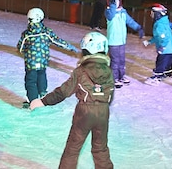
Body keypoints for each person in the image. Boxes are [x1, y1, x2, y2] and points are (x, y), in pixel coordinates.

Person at [30, 31, 114, 169]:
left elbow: (63, 91)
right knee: (100, 149)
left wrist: (43, 101)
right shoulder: (109, 71)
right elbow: (110, 94)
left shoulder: (81, 71)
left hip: (84, 113)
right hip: (103, 113)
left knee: (73, 149)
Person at [17, 7, 79, 108]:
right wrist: (69, 46)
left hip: (31, 63)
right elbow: (57, 41)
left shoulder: (26, 34)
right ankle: (43, 95)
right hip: (42, 62)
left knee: (31, 81)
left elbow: (20, 47)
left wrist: (25, 52)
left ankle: (33, 102)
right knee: (41, 76)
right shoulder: (46, 32)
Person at [104, 0, 144, 88]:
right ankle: (114, 78)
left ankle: (121, 76)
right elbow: (112, 14)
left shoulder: (123, 12)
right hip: (113, 41)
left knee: (121, 60)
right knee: (115, 61)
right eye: (114, 1)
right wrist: (112, 4)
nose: (116, 3)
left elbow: (130, 21)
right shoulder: (109, 12)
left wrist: (138, 28)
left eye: (117, 0)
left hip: (121, 41)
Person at [142, 4, 172, 86]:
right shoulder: (164, 21)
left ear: (157, 14)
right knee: (168, 64)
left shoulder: (159, 25)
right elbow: (158, 37)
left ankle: (157, 77)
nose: (151, 15)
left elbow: (164, 37)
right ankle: (168, 75)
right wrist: (150, 42)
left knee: (160, 62)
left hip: (166, 49)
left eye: (153, 13)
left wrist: (162, 47)